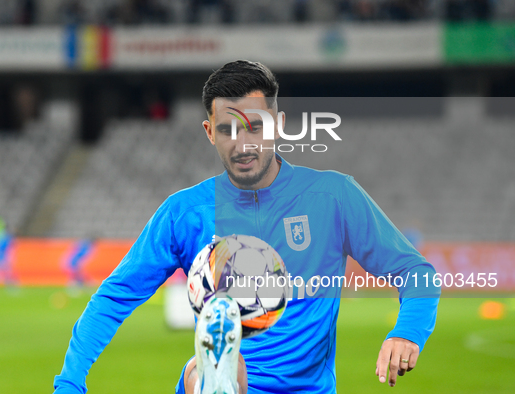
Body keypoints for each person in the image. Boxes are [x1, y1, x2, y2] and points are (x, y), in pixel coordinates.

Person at [53, 60, 439, 393]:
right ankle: (213, 376)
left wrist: (407, 331)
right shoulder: (187, 213)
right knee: (216, 372)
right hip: (230, 382)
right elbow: (115, 295)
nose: (242, 144)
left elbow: (416, 273)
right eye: (227, 130)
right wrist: (70, 381)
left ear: (279, 125)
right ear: (209, 132)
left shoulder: (332, 197)